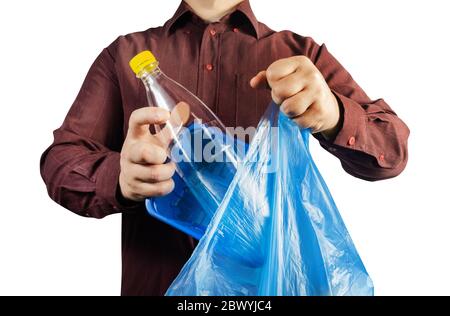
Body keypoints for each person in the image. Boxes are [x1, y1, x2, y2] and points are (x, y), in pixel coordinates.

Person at [40, 0, 409, 296]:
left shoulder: (299, 56)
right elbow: (61, 162)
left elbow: (391, 149)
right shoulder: (125, 55)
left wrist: (333, 113)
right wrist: (120, 177)